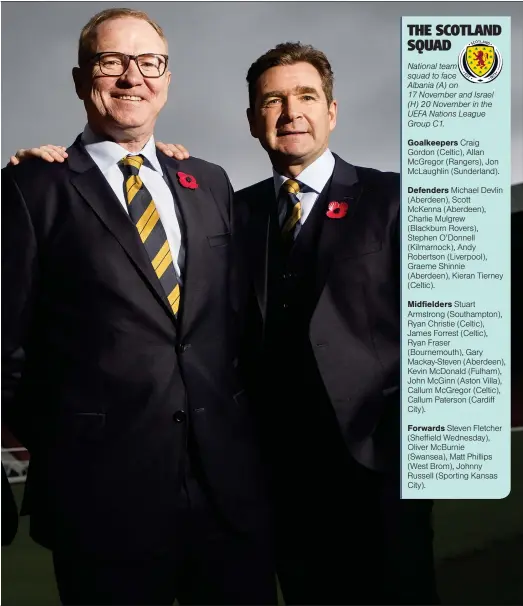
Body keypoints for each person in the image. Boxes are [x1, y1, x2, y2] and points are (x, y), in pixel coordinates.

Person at [9, 42, 439, 605]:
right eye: (273, 101)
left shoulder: (399, 197)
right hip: (270, 482)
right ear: (253, 120)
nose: (291, 113)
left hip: (377, 479)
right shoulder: (230, 203)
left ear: (332, 111)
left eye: (307, 97)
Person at [1, 8, 276, 606]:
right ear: (81, 80)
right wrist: (70, 439)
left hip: (227, 494)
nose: (132, 77)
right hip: (102, 500)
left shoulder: (209, 181)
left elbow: (230, 322)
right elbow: (7, 347)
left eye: (148, 62)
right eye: (111, 62)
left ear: (167, 79)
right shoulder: (29, 188)